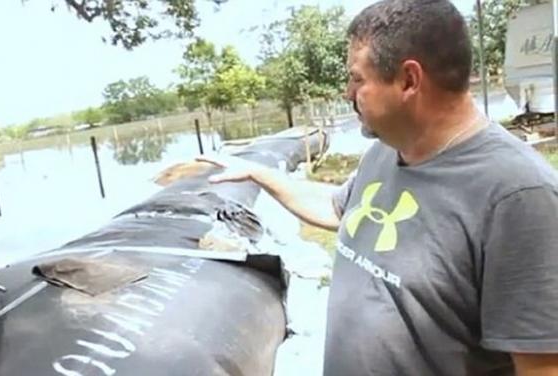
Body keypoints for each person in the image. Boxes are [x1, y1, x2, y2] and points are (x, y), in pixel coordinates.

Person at [197, 0, 558, 374]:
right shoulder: (386, 152)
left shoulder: (517, 196)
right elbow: (338, 210)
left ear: (408, 80)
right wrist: (259, 173)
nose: (347, 93)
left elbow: (542, 367)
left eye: (357, 78)